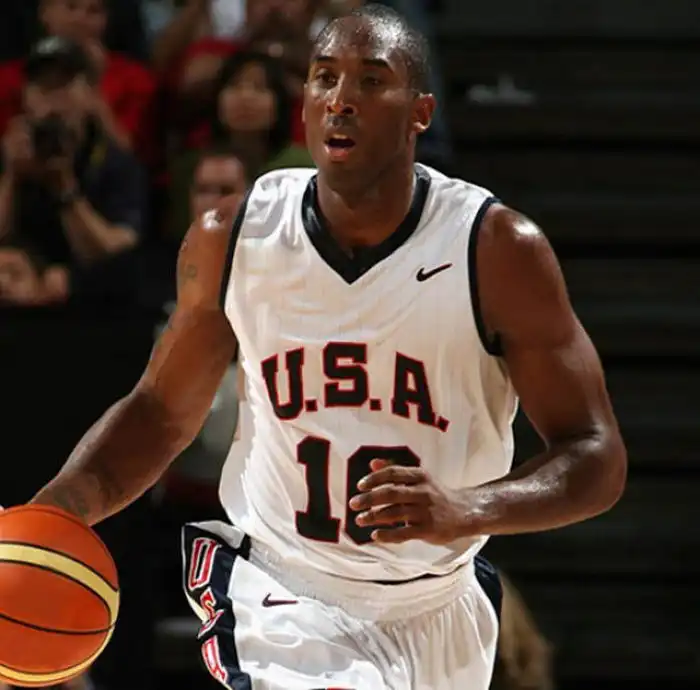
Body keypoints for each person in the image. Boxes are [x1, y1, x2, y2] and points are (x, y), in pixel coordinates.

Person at [28, 4, 627, 689]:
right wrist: (56, 512)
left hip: (438, 606)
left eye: (371, 80)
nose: (341, 99)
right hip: (285, 592)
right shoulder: (236, 237)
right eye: (324, 77)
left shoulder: (493, 250)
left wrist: (468, 508)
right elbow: (161, 413)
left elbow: (596, 455)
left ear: (420, 113)